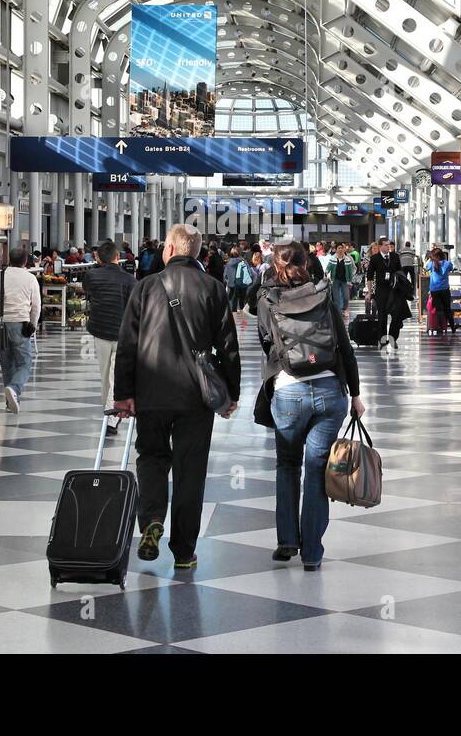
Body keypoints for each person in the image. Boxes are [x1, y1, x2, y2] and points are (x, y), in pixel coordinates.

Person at [113, 223, 241, 571]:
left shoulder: (146, 287)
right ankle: (184, 551)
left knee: (151, 457)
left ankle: (151, 519)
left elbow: (127, 345)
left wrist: (123, 394)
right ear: (197, 252)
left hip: (151, 392)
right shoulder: (214, 289)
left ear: (168, 249)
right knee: (190, 470)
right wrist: (231, 393)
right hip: (196, 396)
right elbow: (228, 346)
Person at [251, 239, 364, 571]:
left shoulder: (266, 299)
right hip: (330, 392)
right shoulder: (323, 294)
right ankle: (312, 553)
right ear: (307, 261)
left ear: (275, 265)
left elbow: (266, 342)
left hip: (288, 392)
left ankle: (287, 541)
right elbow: (344, 347)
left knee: (287, 466)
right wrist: (355, 393)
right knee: (316, 471)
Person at [84, 240, 136, 435]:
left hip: (100, 332)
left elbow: (89, 295)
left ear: (98, 258)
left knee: (105, 375)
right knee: (116, 375)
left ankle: (110, 415)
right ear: (118, 257)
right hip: (123, 335)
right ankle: (112, 417)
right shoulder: (130, 280)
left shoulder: (91, 276)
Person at [0, 247, 42, 413]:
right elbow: (36, 306)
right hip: (21, 324)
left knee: (6, 364)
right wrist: (33, 325)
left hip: (1, 324)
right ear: (25, 261)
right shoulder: (30, 278)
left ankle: (10, 403)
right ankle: (14, 389)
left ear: (9, 259)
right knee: (24, 363)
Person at [366, 238, 409, 351]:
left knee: (397, 316)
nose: (388, 247)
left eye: (389, 245)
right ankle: (382, 340)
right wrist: (370, 292)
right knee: (382, 317)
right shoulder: (374, 258)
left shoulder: (395, 256)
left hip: (394, 290)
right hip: (381, 291)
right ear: (380, 246)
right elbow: (369, 277)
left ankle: (393, 337)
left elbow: (400, 272)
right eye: (385, 245)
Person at [425, 248, 456, 335]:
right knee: (447, 309)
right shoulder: (447, 263)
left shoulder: (431, 263)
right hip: (445, 289)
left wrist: (429, 259)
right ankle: (452, 327)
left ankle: (439, 327)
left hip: (434, 290)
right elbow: (452, 268)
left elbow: (425, 268)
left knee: (438, 309)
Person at [223, 246, 253, 314]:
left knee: (232, 301)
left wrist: (227, 282)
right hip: (243, 284)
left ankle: (233, 315)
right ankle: (243, 314)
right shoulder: (243, 261)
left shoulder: (228, 263)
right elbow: (249, 273)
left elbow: (225, 275)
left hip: (232, 284)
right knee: (243, 301)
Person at [327, 243, 355, 316]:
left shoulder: (348, 259)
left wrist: (350, 281)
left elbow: (350, 271)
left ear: (344, 249)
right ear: (336, 250)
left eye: (341, 248)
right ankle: (338, 314)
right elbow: (328, 267)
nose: (340, 249)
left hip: (345, 281)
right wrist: (326, 272)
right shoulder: (332, 258)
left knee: (346, 297)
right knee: (336, 298)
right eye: (338, 248)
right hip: (335, 280)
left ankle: (344, 308)